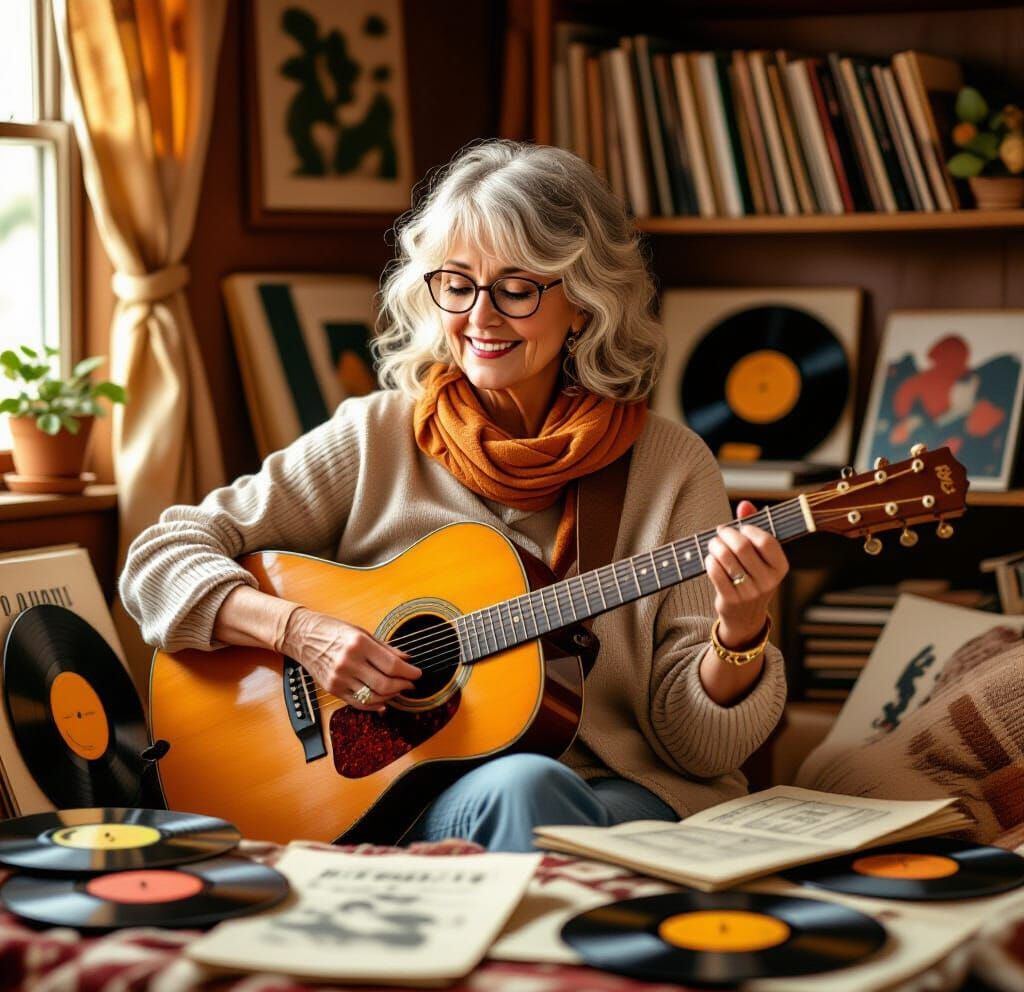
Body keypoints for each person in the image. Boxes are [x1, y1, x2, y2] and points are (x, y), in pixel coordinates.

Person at [121, 140, 789, 852]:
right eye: (457, 284)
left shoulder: (670, 467)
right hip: (402, 795)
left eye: (516, 289)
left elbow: (700, 751)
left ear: (583, 304)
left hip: (613, 789)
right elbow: (158, 559)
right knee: (523, 789)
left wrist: (739, 633)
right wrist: (299, 632)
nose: (480, 317)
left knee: (529, 788)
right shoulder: (377, 435)